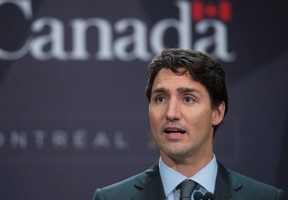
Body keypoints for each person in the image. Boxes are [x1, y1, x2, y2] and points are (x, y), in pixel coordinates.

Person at [92, 48, 287, 200]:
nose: (171, 113)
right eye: (160, 99)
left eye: (188, 99)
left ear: (217, 112)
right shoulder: (111, 198)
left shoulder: (265, 197)